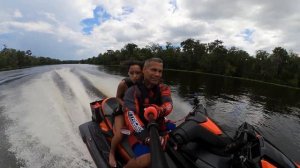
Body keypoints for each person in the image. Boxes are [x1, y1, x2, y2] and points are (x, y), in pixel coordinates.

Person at [123, 58, 173, 168]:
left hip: (158, 125)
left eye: (160, 71)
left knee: (183, 131)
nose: (157, 74)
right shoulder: (132, 92)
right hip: (139, 131)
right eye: (153, 70)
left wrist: (158, 110)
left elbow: (169, 105)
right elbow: (130, 116)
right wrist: (147, 137)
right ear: (144, 70)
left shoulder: (164, 88)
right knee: (146, 160)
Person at [109, 61, 143, 168]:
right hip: (122, 110)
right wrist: (124, 105)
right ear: (128, 73)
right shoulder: (124, 84)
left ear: (142, 73)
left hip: (135, 111)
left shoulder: (144, 84)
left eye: (137, 73)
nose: (134, 76)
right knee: (119, 135)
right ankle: (111, 153)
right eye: (131, 73)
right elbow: (117, 97)